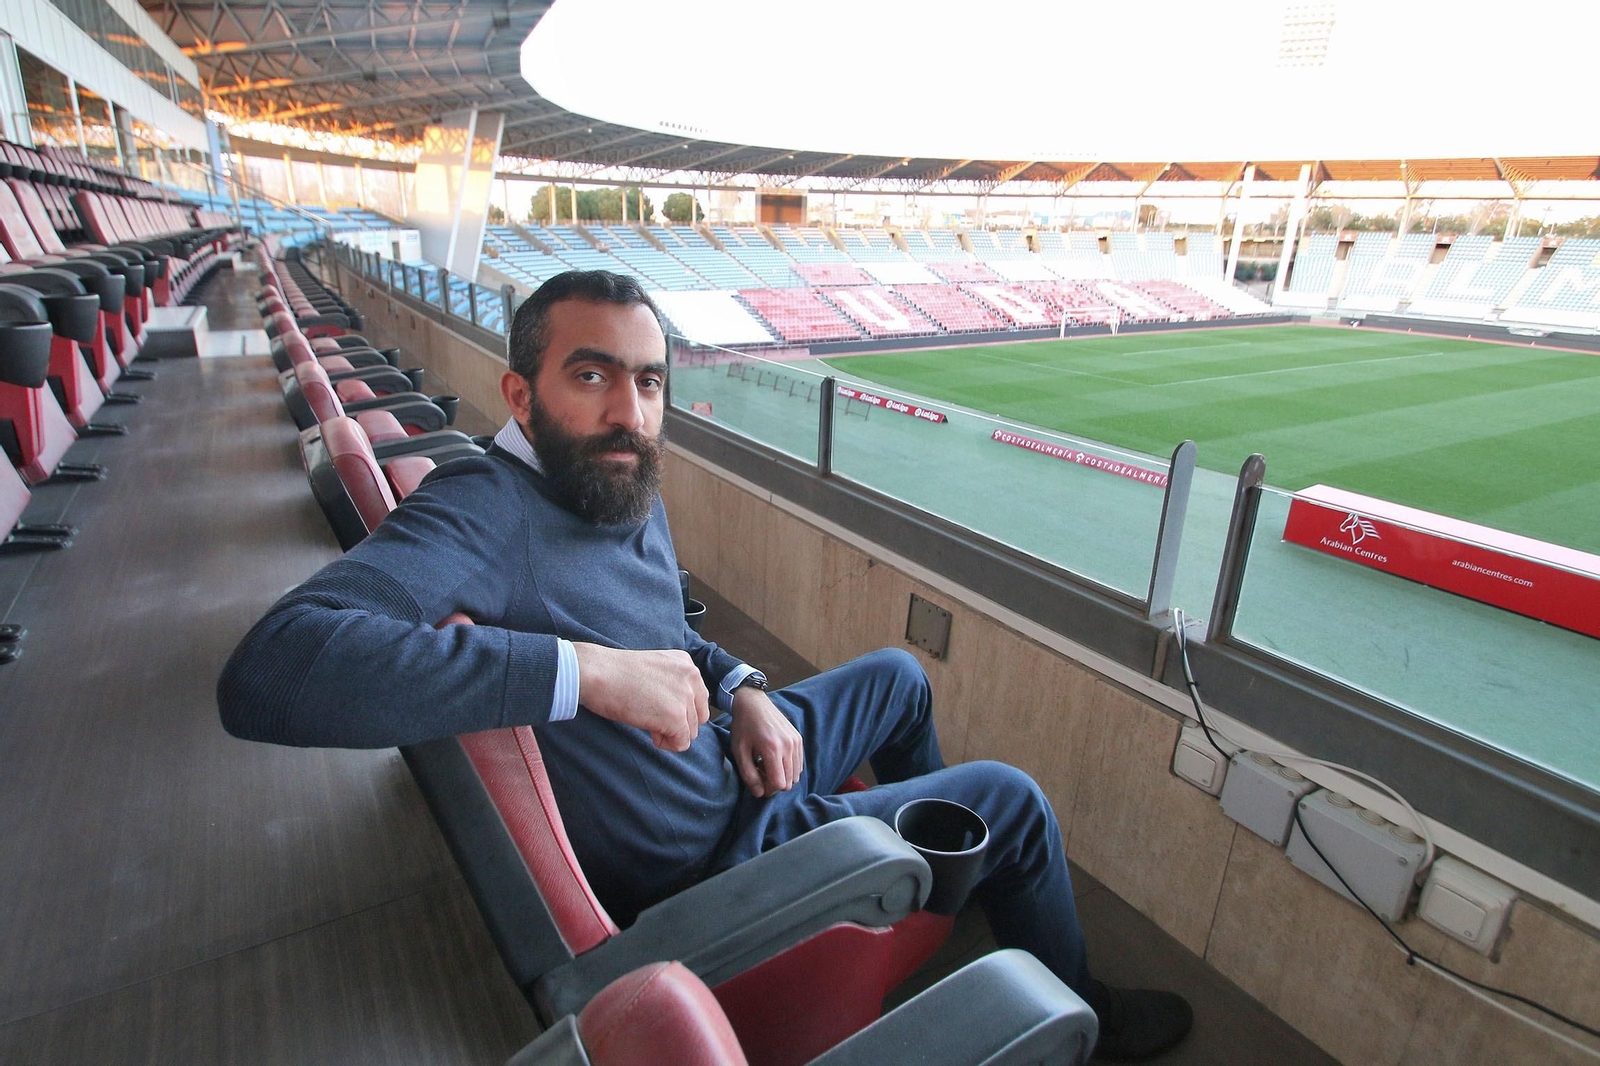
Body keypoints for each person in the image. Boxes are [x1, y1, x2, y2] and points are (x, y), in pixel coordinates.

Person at [218, 270, 1192, 1061]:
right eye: (591, 376)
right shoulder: (485, 508)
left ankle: (932, 877)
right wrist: (585, 671)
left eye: (647, 382)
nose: (628, 412)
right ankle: (1073, 1005)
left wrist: (747, 689)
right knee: (1012, 798)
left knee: (898, 675)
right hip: (722, 847)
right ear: (520, 393)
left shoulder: (614, 483)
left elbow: (672, 634)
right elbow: (271, 672)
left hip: (732, 752)